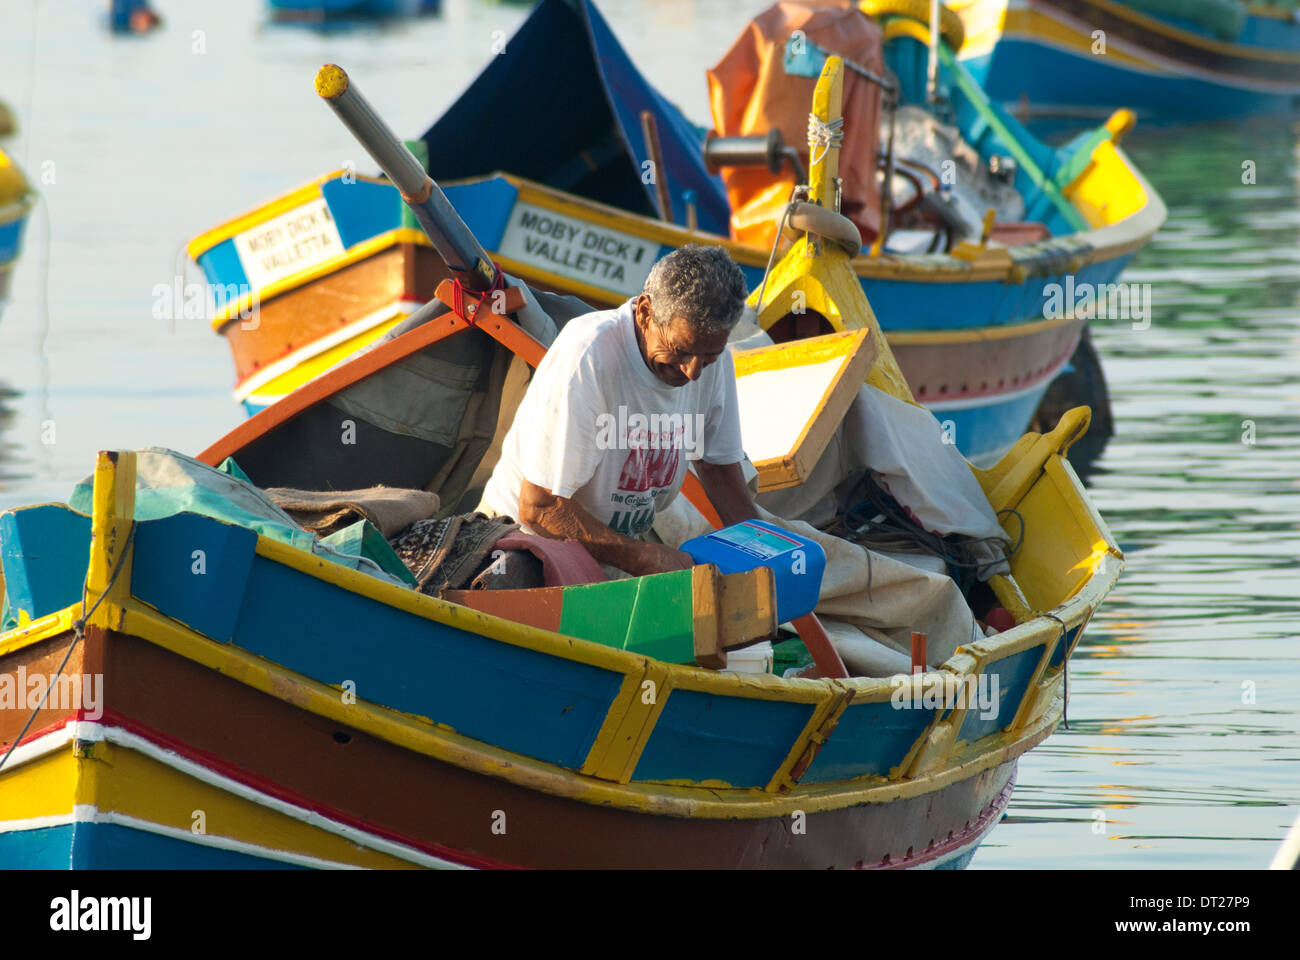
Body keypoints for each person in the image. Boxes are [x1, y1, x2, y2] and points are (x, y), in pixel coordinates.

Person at [479, 245, 758, 576]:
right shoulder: (589, 356)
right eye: (680, 351)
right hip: (526, 543)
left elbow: (717, 469)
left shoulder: (712, 359)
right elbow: (539, 507)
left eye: (708, 357)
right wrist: (647, 557)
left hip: (614, 547)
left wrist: (759, 551)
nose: (693, 373)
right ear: (644, 312)